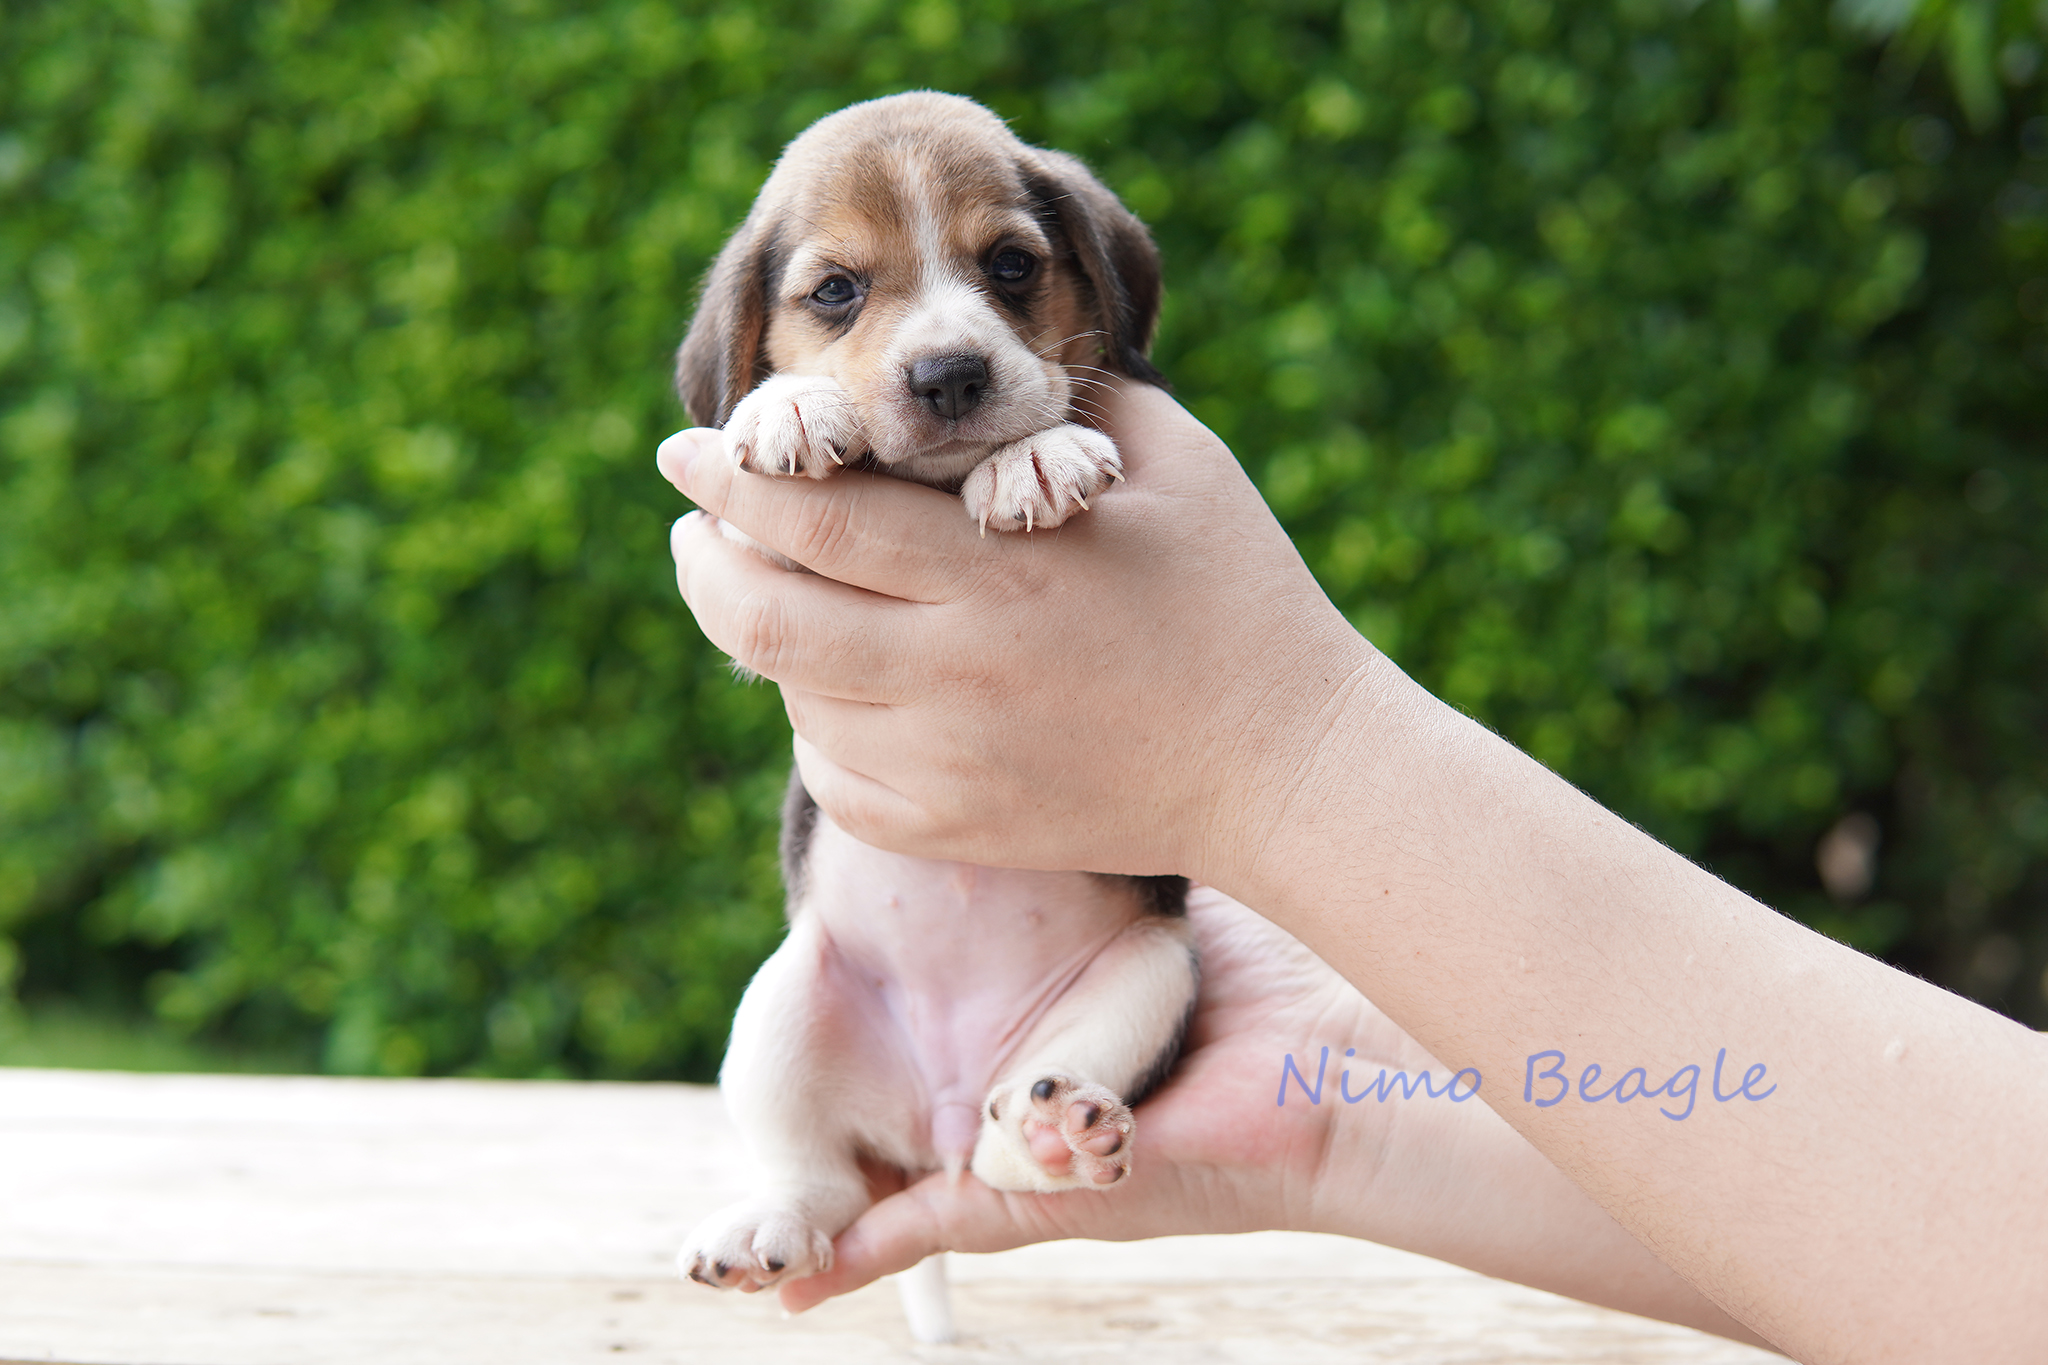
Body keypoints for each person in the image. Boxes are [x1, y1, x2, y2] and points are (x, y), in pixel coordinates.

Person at [658, 380, 2048, 1363]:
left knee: (1138, 977)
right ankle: (812, 1177)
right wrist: (1334, 1083)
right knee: (789, 1015)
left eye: (1011, 270)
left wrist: (1280, 755)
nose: (939, 340)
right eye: (838, 295)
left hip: (1079, 989)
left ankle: (1041, 1115)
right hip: (884, 990)